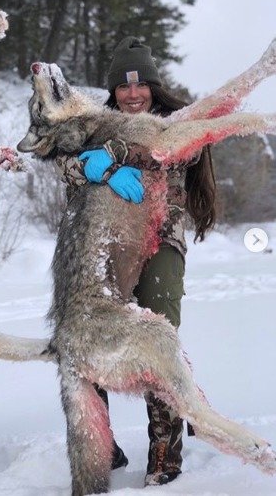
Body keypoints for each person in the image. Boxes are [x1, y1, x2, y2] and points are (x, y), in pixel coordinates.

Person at [58, 36, 216, 486]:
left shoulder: (176, 122)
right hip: (105, 244)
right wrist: (94, 167)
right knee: (93, 338)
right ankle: (101, 448)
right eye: (123, 87)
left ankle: (165, 454)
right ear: (113, 90)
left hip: (162, 242)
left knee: (159, 333)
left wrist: (122, 155)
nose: (132, 95)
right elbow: (64, 165)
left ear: (153, 87)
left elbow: (179, 152)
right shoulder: (96, 124)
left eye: (140, 85)